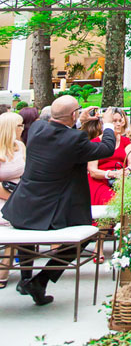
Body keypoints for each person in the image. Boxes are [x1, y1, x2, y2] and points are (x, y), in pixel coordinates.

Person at [1, 96, 115, 306]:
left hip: (23, 208)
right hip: (52, 210)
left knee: (26, 232)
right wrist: (108, 124)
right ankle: (41, 280)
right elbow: (107, 148)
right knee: (87, 234)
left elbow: (62, 135)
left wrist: (78, 122)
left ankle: (26, 279)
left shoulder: (36, 129)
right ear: (73, 114)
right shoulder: (75, 140)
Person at [0, 113, 25, 288]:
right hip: (5, 195)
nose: (22, 128)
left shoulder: (21, 146)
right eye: (19, 125)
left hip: (19, 194)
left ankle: (5, 266)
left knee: (18, 221)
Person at [88, 109, 130, 205]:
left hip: (121, 179)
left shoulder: (125, 141)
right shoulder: (94, 143)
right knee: (113, 200)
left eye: (120, 121)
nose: (118, 124)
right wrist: (112, 174)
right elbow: (93, 171)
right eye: (114, 121)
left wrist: (127, 170)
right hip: (100, 180)